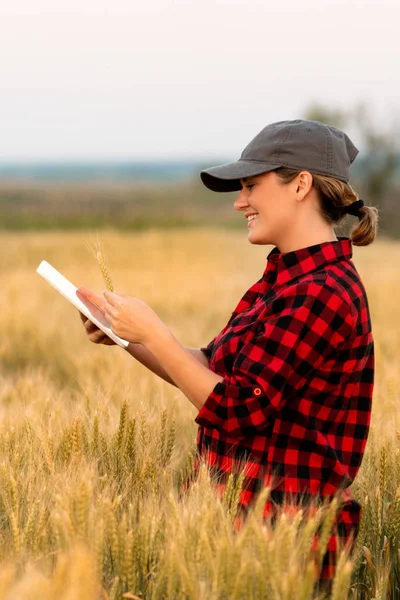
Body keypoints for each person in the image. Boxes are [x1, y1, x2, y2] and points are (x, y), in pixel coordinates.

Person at [78, 119, 377, 593]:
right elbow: (209, 370)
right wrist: (125, 336)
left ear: (301, 184)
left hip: (286, 545)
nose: (239, 202)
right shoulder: (282, 280)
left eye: (251, 186)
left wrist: (154, 332)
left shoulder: (322, 293)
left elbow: (236, 409)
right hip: (234, 532)